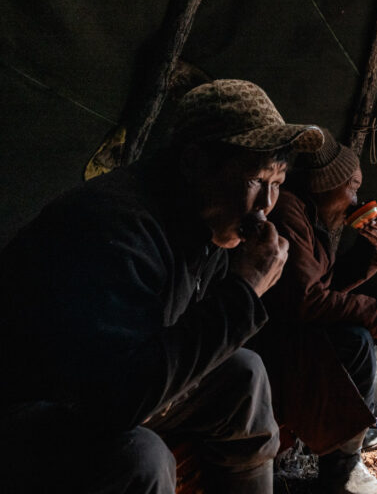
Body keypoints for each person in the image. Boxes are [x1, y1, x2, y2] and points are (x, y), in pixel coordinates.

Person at [0, 79, 324, 493]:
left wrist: (241, 292)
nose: (265, 205)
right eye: (257, 179)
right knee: (141, 459)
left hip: (110, 390)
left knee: (245, 374)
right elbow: (115, 400)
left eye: (277, 183)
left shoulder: (205, 226)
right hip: (31, 404)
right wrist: (242, 293)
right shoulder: (116, 226)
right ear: (194, 163)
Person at [250, 129, 377, 494]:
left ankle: (342, 458)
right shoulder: (287, 213)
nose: (356, 199)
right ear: (326, 184)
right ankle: (337, 473)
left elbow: (322, 288)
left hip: (286, 329)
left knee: (353, 338)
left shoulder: (310, 217)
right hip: (262, 337)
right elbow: (309, 301)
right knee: (354, 341)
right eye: (352, 187)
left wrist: (369, 251)